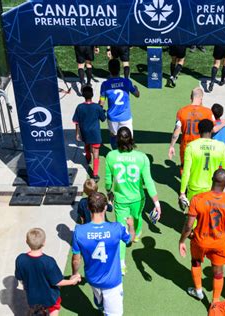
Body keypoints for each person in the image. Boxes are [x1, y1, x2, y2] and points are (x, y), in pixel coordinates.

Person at [179, 168, 225, 304]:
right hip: (219, 243)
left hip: (199, 240)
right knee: (218, 272)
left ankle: (198, 290)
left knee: (196, 262)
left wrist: (182, 241)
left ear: (212, 179)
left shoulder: (198, 199)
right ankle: (214, 302)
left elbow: (188, 225)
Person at [105, 127, 161, 274]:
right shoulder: (142, 157)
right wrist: (157, 203)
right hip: (137, 198)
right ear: (132, 139)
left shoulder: (111, 156)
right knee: (137, 217)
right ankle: (135, 233)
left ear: (117, 140)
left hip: (120, 200)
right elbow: (148, 182)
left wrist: (109, 191)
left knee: (121, 230)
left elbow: (107, 180)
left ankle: (121, 264)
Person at [71, 192, 135, 315]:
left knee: (98, 299)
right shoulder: (117, 228)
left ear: (89, 208)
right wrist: (131, 226)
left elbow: (76, 259)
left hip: (92, 278)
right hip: (112, 282)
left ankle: (100, 302)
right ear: (105, 207)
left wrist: (75, 273)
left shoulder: (79, 232)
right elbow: (130, 239)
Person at [15, 228, 78, 315]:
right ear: (44, 242)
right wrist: (72, 281)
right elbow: (58, 282)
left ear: (27, 242)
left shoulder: (20, 259)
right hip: (51, 298)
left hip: (33, 299)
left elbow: (20, 277)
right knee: (53, 311)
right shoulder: (48, 261)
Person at [168, 87, 225, 172]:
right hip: (201, 148)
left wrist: (171, 146)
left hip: (186, 147)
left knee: (185, 169)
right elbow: (213, 129)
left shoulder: (181, 111)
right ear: (201, 98)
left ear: (191, 97)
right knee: (199, 170)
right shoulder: (208, 112)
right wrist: (223, 124)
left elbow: (176, 132)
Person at [179, 119, 225, 206]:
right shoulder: (221, 146)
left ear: (199, 131)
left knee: (194, 216)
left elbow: (186, 172)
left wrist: (182, 192)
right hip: (213, 188)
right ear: (212, 130)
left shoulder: (191, 147)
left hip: (195, 187)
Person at [99, 59, 140, 149]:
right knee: (128, 138)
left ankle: (115, 152)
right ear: (120, 69)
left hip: (112, 117)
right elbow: (137, 95)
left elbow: (102, 101)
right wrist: (136, 89)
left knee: (113, 135)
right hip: (126, 117)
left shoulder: (105, 84)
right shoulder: (126, 82)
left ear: (109, 69)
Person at [73, 85, 106, 181]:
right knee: (96, 152)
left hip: (84, 132)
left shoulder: (79, 107)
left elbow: (76, 122)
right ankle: (95, 174)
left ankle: (87, 158)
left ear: (83, 95)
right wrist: (102, 110)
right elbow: (103, 119)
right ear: (92, 95)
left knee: (87, 144)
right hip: (95, 133)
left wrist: (77, 133)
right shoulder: (97, 107)